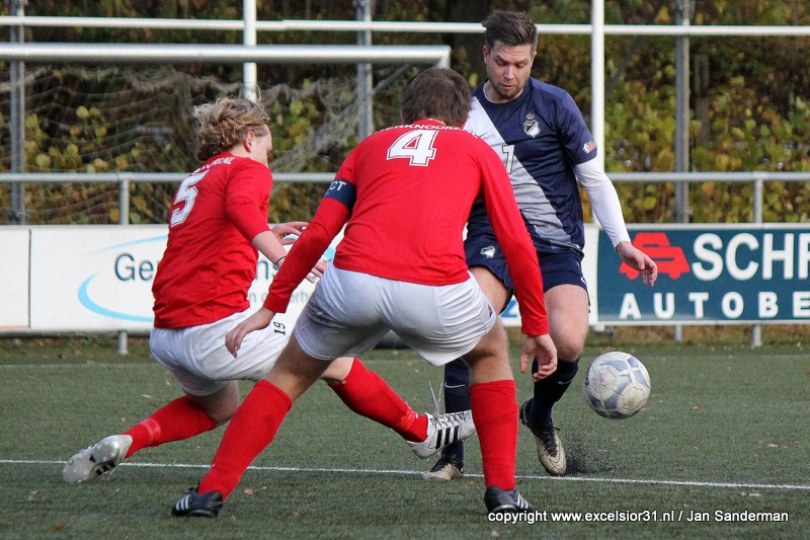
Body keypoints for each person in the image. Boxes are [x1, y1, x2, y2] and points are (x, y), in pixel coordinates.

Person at [169, 67, 557, 518]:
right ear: (462, 116)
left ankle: (208, 493)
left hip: (351, 281)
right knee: (490, 352)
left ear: (407, 111)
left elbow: (316, 236)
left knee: (289, 373)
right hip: (432, 286)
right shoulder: (475, 148)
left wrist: (271, 307)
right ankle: (503, 494)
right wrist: (536, 325)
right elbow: (516, 241)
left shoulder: (370, 146)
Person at [62, 97, 476, 485]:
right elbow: (242, 210)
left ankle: (127, 441)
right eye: (267, 149)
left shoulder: (197, 177)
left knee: (218, 407)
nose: (268, 159)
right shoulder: (247, 169)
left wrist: (267, 231)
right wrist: (282, 257)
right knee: (333, 356)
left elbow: (215, 228)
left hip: (168, 335)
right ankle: (420, 431)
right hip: (214, 329)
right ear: (249, 139)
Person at [425, 10, 658, 481]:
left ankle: (539, 414)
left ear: (534, 59)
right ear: (485, 54)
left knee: (569, 342)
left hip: (554, 245)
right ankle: (452, 454)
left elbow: (595, 179)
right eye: (502, 63)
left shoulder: (555, 104)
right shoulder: (462, 113)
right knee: (461, 323)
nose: (511, 74)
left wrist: (622, 243)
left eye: (522, 64)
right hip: (492, 240)